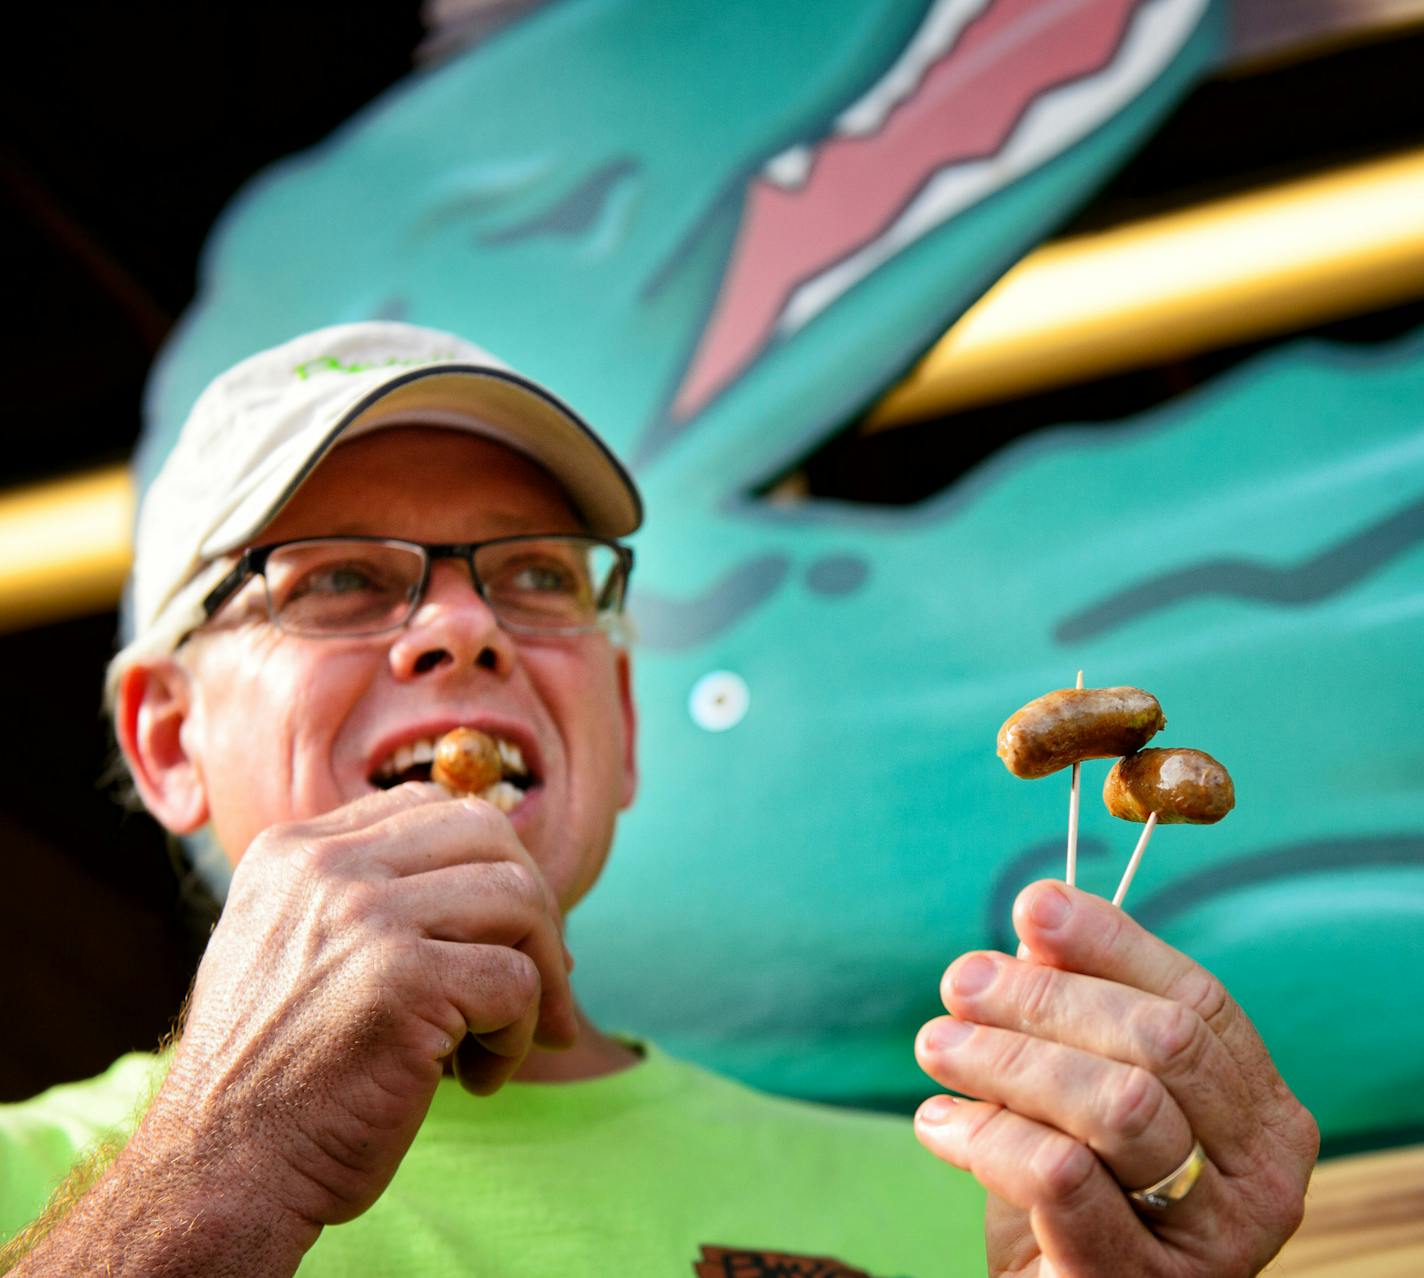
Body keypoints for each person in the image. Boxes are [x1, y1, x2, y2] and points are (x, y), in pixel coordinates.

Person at [0, 322, 1316, 1276]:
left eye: (535, 575)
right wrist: (214, 1173)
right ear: (165, 739)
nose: (463, 625)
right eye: (338, 578)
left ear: (617, 729)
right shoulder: (22, 1177)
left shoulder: (981, 1206)